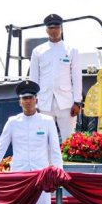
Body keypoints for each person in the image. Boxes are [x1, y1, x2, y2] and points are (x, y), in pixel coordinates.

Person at [28, 13, 82, 142]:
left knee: (68, 140)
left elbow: (77, 77)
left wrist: (77, 101)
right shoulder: (38, 51)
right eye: (51, 28)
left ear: (61, 29)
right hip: (44, 102)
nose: (54, 30)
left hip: (66, 102)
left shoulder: (71, 50)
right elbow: (34, 78)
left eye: (56, 27)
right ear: (46, 30)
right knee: (43, 140)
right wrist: (34, 102)